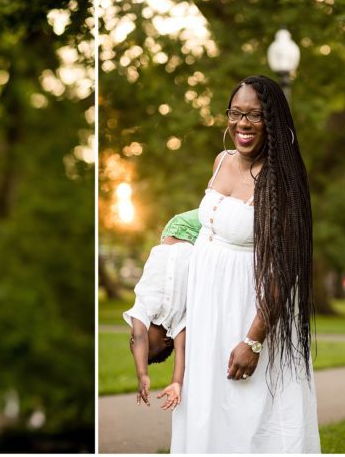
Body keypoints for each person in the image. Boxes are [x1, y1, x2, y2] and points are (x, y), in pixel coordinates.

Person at [170, 76, 320, 453]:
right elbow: (210, 223)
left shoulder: (280, 179)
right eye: (236, 113)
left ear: (273, 121)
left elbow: (285, 267)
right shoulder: (221, 161)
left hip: (249, 312)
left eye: (255, 115)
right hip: (208, 311)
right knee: (209, 407)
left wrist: (254, 339)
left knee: (250, 414)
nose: (243, 124)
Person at [124, 209, 200, 410]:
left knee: (224, 202)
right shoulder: (178, 324)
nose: (136, 340)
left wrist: (142, 374)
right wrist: (177, 382)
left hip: (180, 229)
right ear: (167, 341)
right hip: (201, 243)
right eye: (146, 347)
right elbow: (181, 353)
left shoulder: (143, 309)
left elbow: (139, 337)